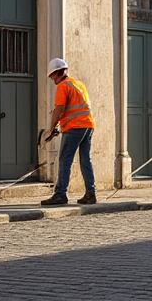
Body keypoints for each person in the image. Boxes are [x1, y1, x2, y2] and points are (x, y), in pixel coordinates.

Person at [41, 58, 96, 206]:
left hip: (74, 128)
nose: (52, 79)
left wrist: (51, 128)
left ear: (57, 73)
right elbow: (73, 108)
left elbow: (59, 109)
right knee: (86, 160)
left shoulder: (63, 86)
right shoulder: (78, 84)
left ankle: (60, 194)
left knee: (65, 160)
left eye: (52, 75)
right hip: (88, 126)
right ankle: (91, 193)